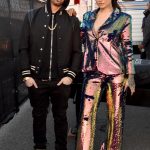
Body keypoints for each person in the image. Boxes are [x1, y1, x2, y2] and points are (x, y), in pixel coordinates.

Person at [19, 0, 81, 149]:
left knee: (60, 117)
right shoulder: (31, 16)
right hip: (36, 79)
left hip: (61, 80)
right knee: (38, 116)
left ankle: (61, 147)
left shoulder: (72, 20)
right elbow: (23, 48)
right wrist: (27, 76)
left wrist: (70, 76)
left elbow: (77, 51)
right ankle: (39, 146)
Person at [75, 0, 135, 150]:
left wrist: (131, 76)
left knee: (115, 116)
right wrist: (72, 20)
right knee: (85, 115)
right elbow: (81, 37)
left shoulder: (123, 18)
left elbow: (127, 47)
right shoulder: (88, 16)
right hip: (91, 71)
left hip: (115, 72)